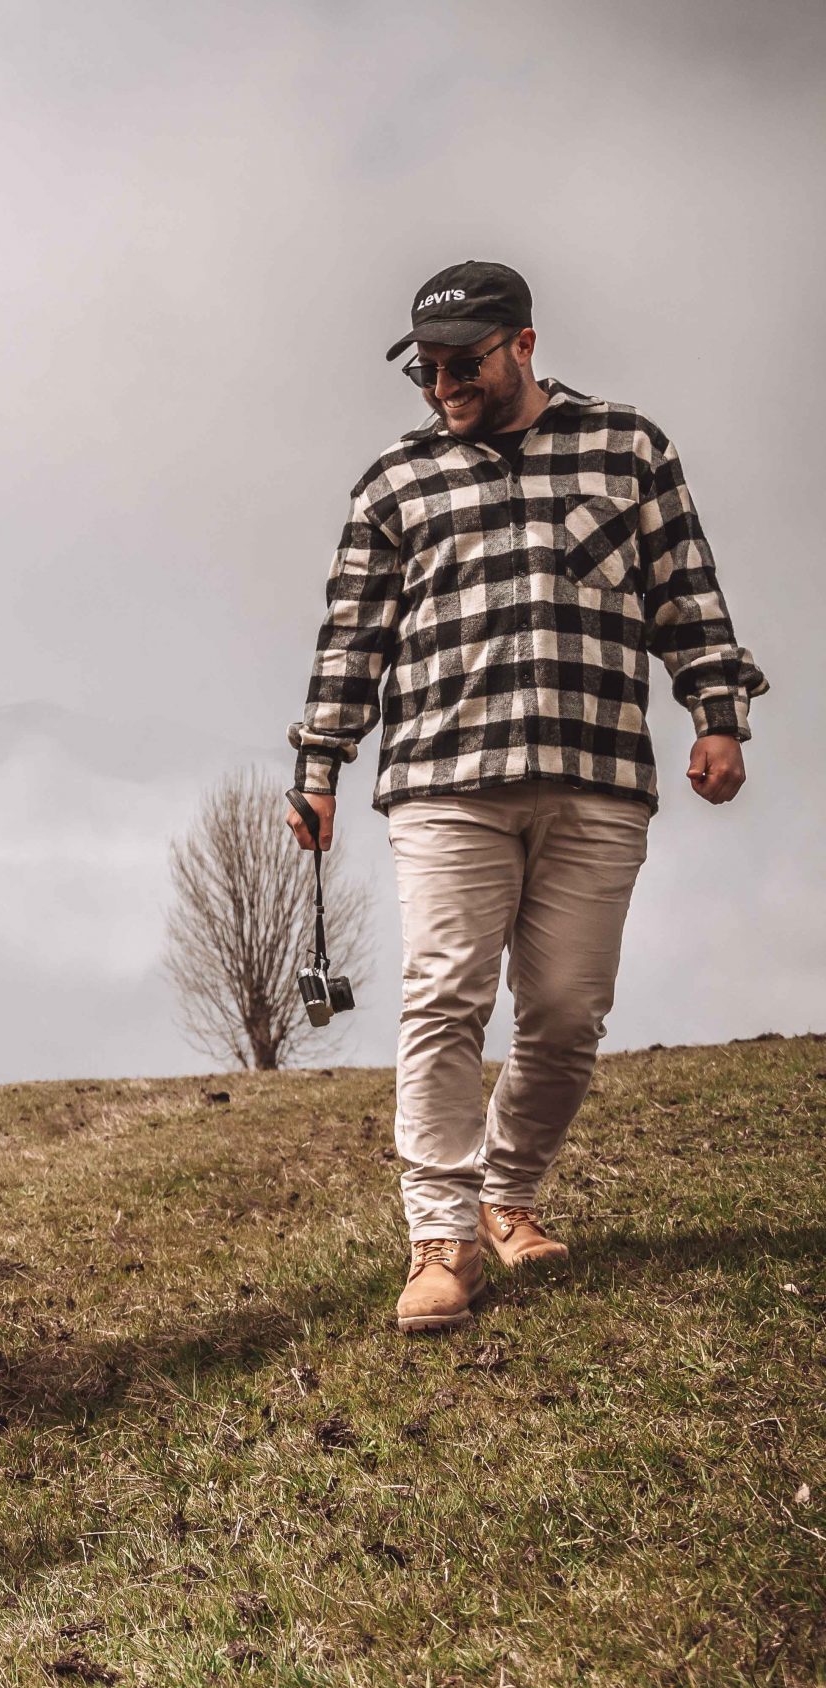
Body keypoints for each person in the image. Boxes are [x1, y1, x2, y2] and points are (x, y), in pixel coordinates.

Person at [286, 261, 768, 1334]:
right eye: (427, 369)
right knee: (444, 995)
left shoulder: (628, 448)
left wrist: (718, 714)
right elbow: (349, 640)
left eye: (465, 363)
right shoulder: (392, 485)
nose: (444, 384)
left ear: (524, 345)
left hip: (596, 774)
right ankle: (441, 1239)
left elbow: (686, 594)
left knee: (563, 1013)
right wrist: (318, 762)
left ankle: (508, 1192)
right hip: (444, 781)